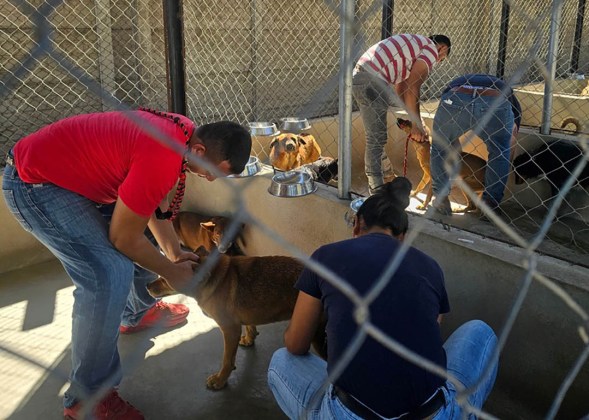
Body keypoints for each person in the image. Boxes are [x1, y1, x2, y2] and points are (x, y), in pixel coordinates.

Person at [2, 108, 252, 419]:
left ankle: (135, 313)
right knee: (108, 275)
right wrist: (173, 272)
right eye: (215, 171)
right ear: (200, 151)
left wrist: (173, 253)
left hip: (69, 180)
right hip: (37, 185)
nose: (211, 178)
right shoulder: (164, 152)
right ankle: (87, 399)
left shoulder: (183, 135)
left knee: (145, 243)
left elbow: (152, 205)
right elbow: (122, 238)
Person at [267, 177, 498, 420]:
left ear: (356, 225)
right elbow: (428, 330)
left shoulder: (325, 256)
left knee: (281, 360)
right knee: (480, 331)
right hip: (433, 412)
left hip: (350, 413)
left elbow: (296, 345)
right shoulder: (430, 267)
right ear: (403, 236)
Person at [352, 34, 451, 194]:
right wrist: (417, 126)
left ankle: (386, 176)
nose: (437, 63)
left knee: (377, 135)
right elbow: (413, 88)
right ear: (442, 48)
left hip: (365, 77)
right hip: (372, 80)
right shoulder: (430, 50)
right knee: (376, 139)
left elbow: (401, 89)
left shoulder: (412, 50)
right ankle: (376, 191)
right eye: (442, 59)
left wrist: (416, 122)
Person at [430, 73, 522, 216]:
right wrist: (505, 167)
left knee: (439, 146)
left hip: (456, 96)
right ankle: (490, 205)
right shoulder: (512, 99)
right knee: (500, 150)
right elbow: (511, 140)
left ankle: (441, 200)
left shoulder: (458, 80)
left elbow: (449, 139)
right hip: (495, 100)